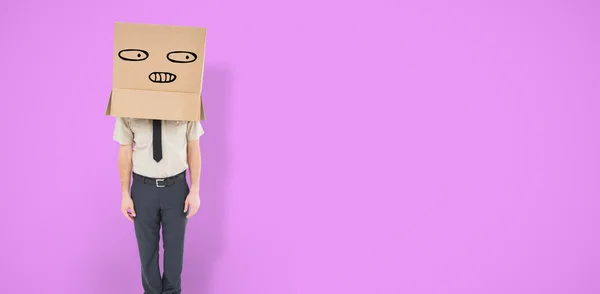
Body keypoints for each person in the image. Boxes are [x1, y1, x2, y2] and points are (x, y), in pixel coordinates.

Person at [113, 117, 203, 294]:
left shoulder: (185, 102)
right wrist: (124, 193)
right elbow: (125, 150)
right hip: (143, 189)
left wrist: (195, 189)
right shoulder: (128, 105)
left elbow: (193, 146)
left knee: (174, 253)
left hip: (176, 189)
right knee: (147, 253)